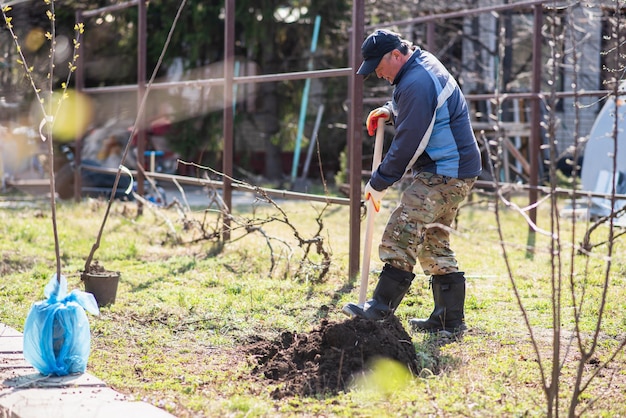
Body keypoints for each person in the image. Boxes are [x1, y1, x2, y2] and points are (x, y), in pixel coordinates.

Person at [342, 29, 482, 336]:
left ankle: (379, 309)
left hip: (446, 171)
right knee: (433, 240)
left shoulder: (417, 82)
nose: (378, 74)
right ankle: (449, 319)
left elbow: (410, 143)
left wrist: (378, 182)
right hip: (454, 170)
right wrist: (391, 111)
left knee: (402, 230)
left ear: (396, 55)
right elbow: (418, 109)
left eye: (379, 67)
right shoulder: (419, 66)